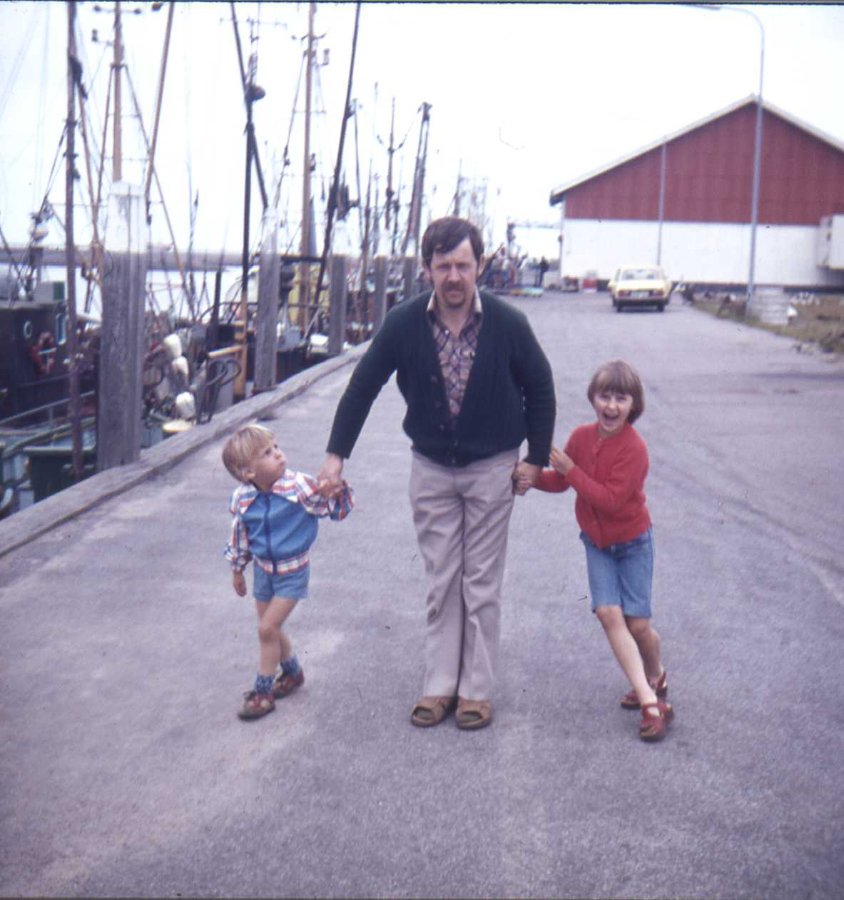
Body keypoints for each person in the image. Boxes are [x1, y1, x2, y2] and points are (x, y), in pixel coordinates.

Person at [318, 216, 556, 731]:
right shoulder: (403, 324)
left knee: (481, 581)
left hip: (492, 467)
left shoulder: (509, 323)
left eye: (463, 265)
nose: (453, 276)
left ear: (480, 266)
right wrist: (336, 456)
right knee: (442, 579)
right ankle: (440, 685)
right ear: (427, 269)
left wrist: (535, 458)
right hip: (430, 469)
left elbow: (540, 385)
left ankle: (475, 691)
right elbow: (362, 387)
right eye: (443, 266)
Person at [526, 360, 673, 742]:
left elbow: (609, 499)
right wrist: (527, 478)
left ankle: (655, 676)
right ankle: (650, 702)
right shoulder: (580, 437)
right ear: (593, 398)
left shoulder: (635, 449)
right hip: (597, 544)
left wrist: (571, 471)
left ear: (633, 405)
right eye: (605, 396)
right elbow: (561, 482)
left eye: (621, 399)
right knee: (608, 613)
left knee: (638, 625)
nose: (611, 406)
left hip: (633, 542)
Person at [223, 423, 353, 721]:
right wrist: (237, 570)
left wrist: (335, 491)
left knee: (267, 629)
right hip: (263, 571)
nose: (279, 455)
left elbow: (332, 508)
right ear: (248, 473)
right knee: (270, 627)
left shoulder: (298, 487)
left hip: (292, 572)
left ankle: (263, 693)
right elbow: (240, 536)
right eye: (267, 454)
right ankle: (293, 673)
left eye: (276, 448)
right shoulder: (242, 498)